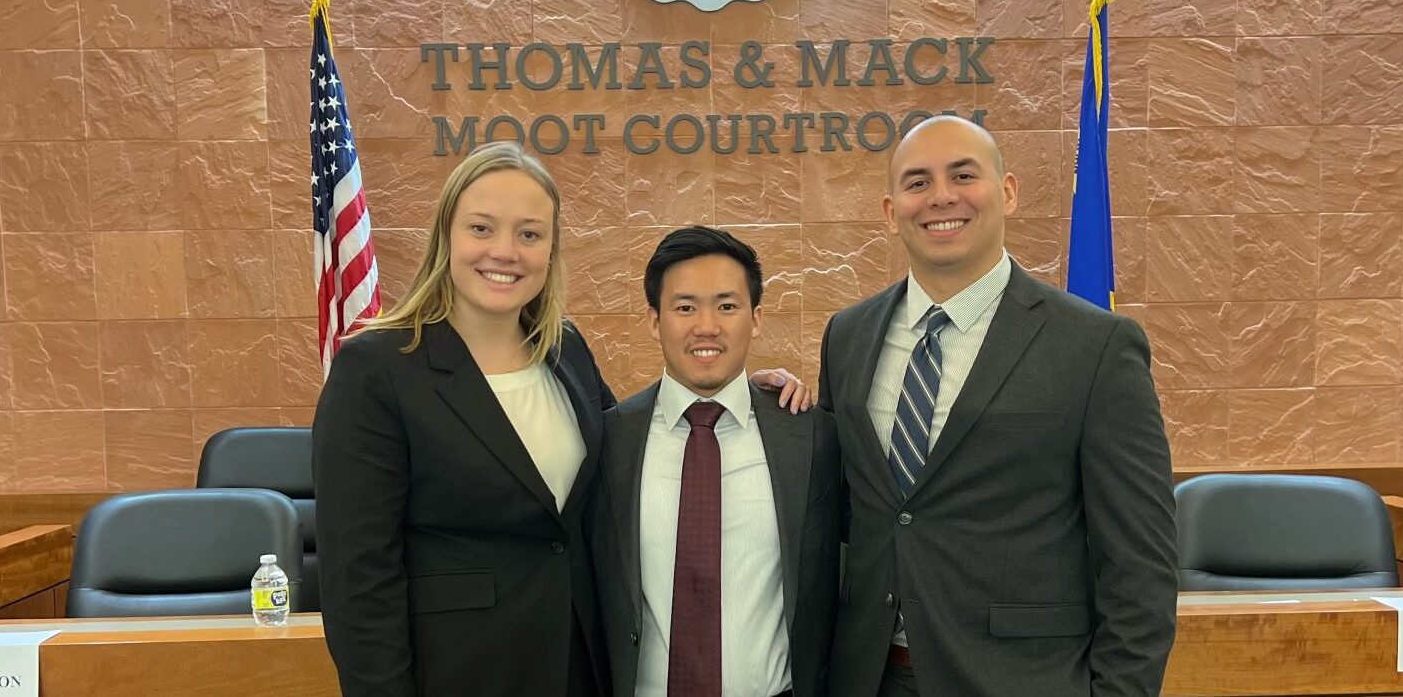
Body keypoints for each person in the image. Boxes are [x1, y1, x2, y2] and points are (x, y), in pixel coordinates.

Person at [313, 143, 810, 697]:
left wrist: (742, 393)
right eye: (482, 228)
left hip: (579, 667)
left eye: (529, 234)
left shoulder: (564, 349)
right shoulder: (377, 368)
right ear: (446, 237)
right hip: (460, 674)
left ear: (550, 250)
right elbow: (358, 580)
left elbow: (632, 445)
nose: (506, 251)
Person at [819, 117, 1177, 697]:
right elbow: (847, 510)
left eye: (963, 175)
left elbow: (1140, 564)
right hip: (869, 677)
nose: (941, 197)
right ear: (890, 211)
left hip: (1023, 680)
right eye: (917, 183)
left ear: (1007, 192)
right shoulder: (847, 336)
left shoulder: (1096, 346)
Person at [590, 226, 840, 697]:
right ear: (653, 320)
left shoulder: (810, 435)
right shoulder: (609, 439)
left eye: (727, 306)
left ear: (757, 318)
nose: (707, 326)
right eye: (684, 307)